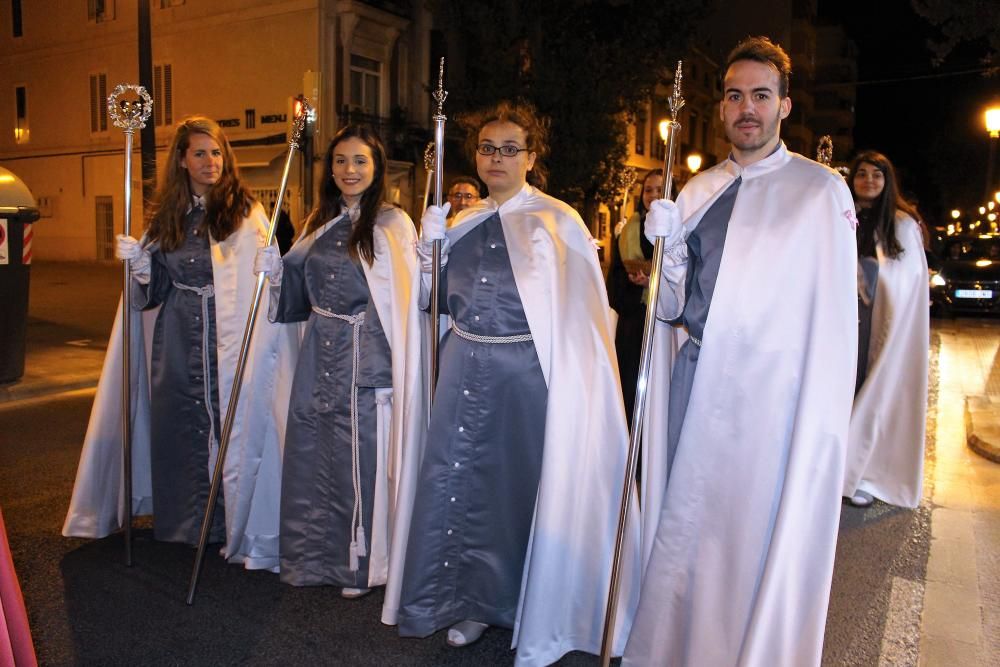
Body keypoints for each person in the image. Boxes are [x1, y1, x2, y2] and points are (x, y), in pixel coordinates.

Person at [623, 37, 858, 666]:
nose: (745, 108)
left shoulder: (819, 192)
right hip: (694, 379)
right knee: (685, 525)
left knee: (745, 533)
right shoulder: (696, 192)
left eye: (760, 95)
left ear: (784, 106)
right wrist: (665, 248)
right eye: (734, 95)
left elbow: (833, 323)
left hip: (769, 397)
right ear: (721, 106)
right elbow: (669, 310)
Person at [383, 100, 640, 665]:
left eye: (508, 149)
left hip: (528, 378)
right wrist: (427, 255)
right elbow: (431, 307)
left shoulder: (558, 222)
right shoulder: (461, 221)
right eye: (486, 148)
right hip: (462, 370)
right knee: (457, 485)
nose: (495, 158)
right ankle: (468, 602)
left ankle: (527, 601)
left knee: (514, 490)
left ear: (531, 156)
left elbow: (582, 321)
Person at [64, 117, 294, 571]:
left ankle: (227, 521)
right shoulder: (167, 216)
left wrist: (275, 267)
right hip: (175, 334)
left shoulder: (245, 213)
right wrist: (140, 266)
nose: (211, 162)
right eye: (200, 154)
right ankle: (186, 523)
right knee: (178, 422)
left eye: (216, 153)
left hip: (225, 335)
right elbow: (152, 294)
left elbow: (261, 284)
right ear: (182, 160)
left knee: (224, 420)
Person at [252, 125, 425, 595]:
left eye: (360, 161)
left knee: (357, 456)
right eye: (341, 161)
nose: (350, 170)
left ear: (377, 167)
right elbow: (296, 301)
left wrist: (383, 367)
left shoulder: (392, 224)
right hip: (318, 351)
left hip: (363, 356)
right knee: (311, 451)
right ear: (330, 169)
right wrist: (276, 273)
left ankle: (359, 564)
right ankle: (312, 557)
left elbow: (401, 304)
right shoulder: (317, 223)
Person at [843, 150, 928, 508]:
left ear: (887, 180)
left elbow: (905, 283)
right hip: (840, 321)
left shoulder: (902, 225)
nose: (868, 180)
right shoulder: (840, 217)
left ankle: (864, 472)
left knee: (872, 389)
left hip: (877, 326)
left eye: (877, 174)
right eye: (861, 173)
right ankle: (834, 466)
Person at [606, 169, 664, 427]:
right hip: (633, 323)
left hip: (664, 322)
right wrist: (634, 283)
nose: (653, 195)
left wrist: (654, 280)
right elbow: (615, 279)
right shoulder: (629, 229)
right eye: (648, 190)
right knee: (629, 389)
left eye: (660, 189)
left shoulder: (680, 228)